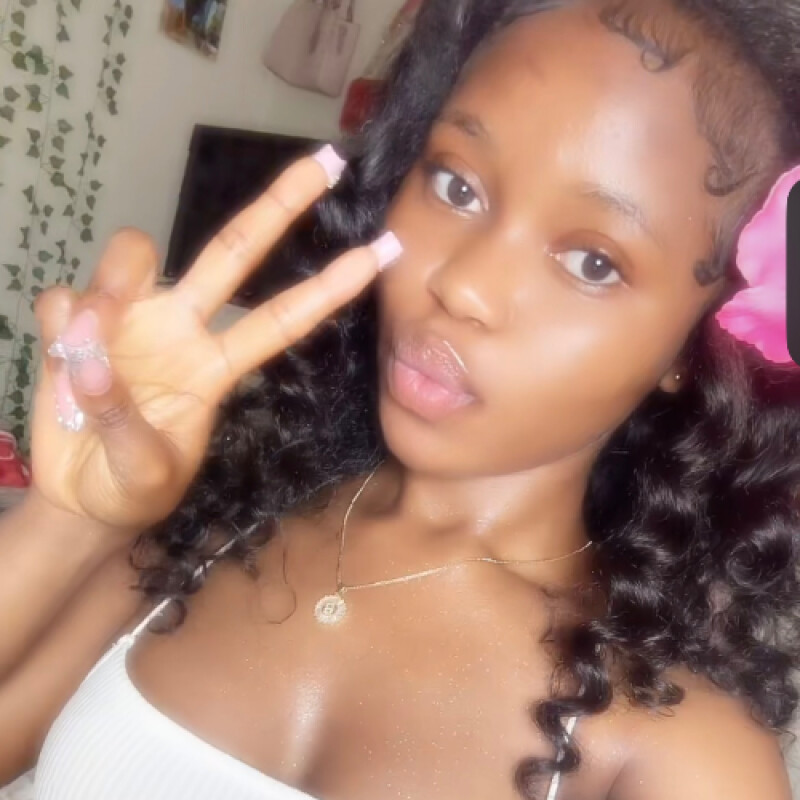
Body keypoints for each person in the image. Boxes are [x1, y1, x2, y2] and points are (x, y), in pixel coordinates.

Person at [1, 0, 799, 797]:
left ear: (691, 346)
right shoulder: (219, 517)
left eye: (593, 262)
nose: (461, 284)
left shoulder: (682, 753)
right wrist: (72, 521)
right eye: (456, 185)